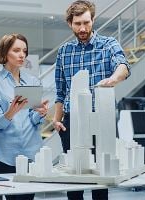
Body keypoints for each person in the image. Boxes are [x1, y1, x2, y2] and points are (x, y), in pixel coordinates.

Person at [53, 1, 130, 200]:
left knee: (100, 178)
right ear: (70, 23)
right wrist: (57, 119)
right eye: (77, 23)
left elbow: (123, 65)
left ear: (93, 20)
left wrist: (114, 78)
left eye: (87, 22)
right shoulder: (63, 52)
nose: (83, 28)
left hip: (100, 119)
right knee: (74, 178)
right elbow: (60, 91)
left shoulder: (108, 44)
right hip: (71, 121)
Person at [0, 33, 48, 200]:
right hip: (6, 155)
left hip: (31, 153)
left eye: (24, 51)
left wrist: (40, 114)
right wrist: (11, 112)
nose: (22, 55)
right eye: (16, 50)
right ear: (5, 53)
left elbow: (33, 120)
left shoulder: (33, 80)